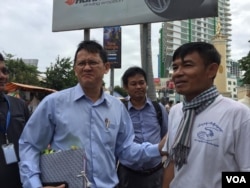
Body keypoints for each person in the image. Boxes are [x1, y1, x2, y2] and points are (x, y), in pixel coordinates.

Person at [18, 40, 166, 188]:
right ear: (75, 68)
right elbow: (30, 145)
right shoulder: (53, 103)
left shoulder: (117, 108)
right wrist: (34, 184)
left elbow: (126, 149)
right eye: (81, 63)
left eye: (93, 62)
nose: (87, 68)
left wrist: (157, 148)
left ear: (106, 67)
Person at [162, 42, 250, 188]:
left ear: (211, 70)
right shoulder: (176, 112)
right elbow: (173, 161)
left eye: (187, 65)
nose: (177, 73)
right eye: (175, 67)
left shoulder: (239, 115)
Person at [117, 66, 168, 188]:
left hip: (155, 173)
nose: (138, 87)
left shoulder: (158, 109)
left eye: (141, 82)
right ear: (126, 87)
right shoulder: (119, 110)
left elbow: (166, 136)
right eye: (133, 84)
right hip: (128, 174)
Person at [0, 53, 30, 188]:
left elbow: (31, 143)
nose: (2, 76)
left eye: (4, 71)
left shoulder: (19, 105)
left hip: (19, 181)